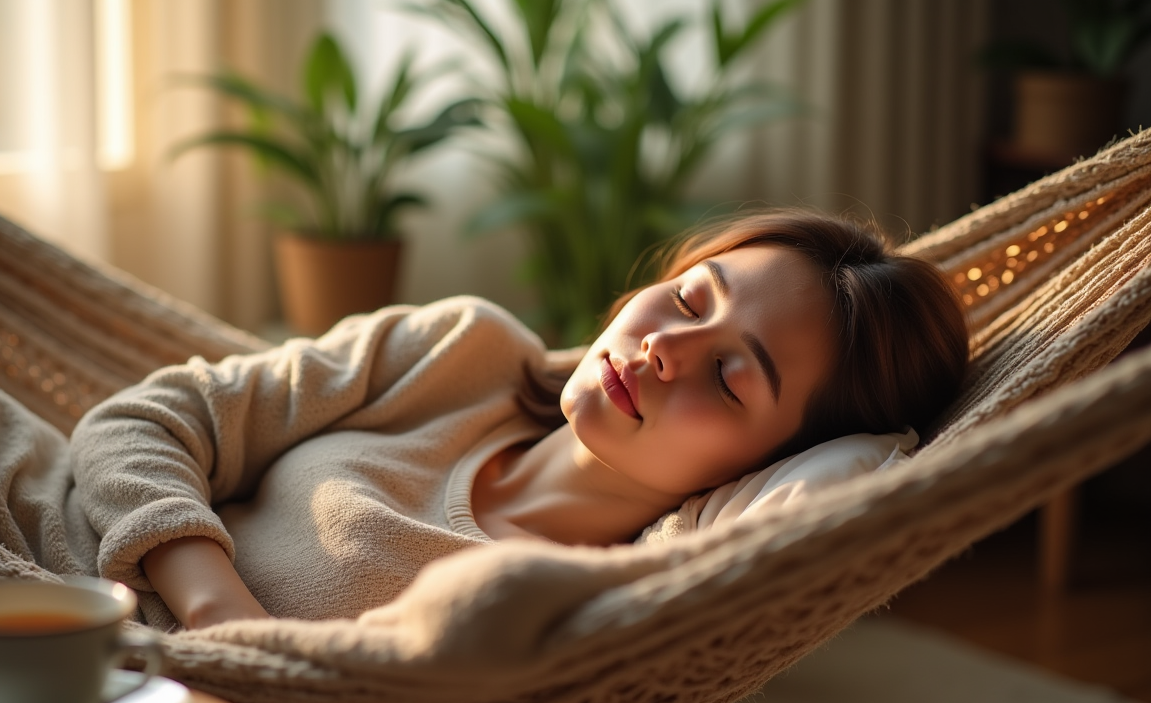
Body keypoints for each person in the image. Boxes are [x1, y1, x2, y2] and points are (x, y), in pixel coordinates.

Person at [66, 209, 968, 631]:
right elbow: (137, 422)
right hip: (30, 528)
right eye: (692, 299)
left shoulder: (588, 618)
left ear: (765, 463)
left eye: (731, 378)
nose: (667, 349)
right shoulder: (460, 351)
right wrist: (219, 612)